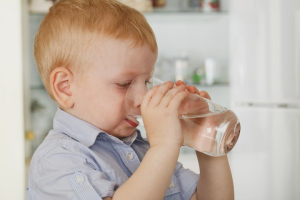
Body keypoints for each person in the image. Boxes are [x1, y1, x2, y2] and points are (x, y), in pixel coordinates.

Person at [26, 0, 234, 199]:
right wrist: (163, 146)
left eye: (147, 81)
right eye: (125, 84)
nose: (143, 97)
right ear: (65, 88)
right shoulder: (56, 161)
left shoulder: (142, 149)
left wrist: (207, 144)